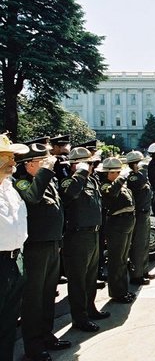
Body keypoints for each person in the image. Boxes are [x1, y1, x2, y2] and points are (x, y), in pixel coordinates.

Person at [14, 142, 71, 360]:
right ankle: (33, 346)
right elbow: (32, 198)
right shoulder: (21, 182)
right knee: (33, 300)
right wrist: (46, 171)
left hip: (52, 244)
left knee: (48, 294)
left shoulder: (47, 180)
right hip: (35, 249)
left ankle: (47, 335)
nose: (49, 164)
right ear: (29, 165)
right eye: (42, 162)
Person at [60, 147, 109, 333]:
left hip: (93, 234)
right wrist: (80, 173)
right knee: (78, 280)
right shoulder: (68, 181)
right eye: (87, 164)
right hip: (77, 237)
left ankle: (90, 309)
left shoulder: (92, 180)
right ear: (76, 164)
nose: (91, 166)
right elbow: (69, 195)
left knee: (90, 277)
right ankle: (79, 318)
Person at [0, 134, 29, 360]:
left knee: (9, 321)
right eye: (6, 157)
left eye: (12, 157)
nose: (12, 162)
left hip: (15, 260)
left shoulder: (10, 186)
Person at [97, 157, 136, 304]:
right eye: (117, 172)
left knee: (123, 259)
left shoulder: (119, 184)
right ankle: (117, 293)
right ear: (109, 173)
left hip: (126, 221)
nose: (119, 174)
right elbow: (111, 194)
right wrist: (120, 179)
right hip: (117, 223)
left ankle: (123, 290)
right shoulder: (105, 185)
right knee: (116, 260)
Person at [126, 150, 154, 286]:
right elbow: (141, 183)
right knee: (138, 245)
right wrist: (138, 170)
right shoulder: (133, 177)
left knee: (144, 244)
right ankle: (136, 275)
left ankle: (143, 270)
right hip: (138, 214)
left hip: (145, 212)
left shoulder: (139, 175)